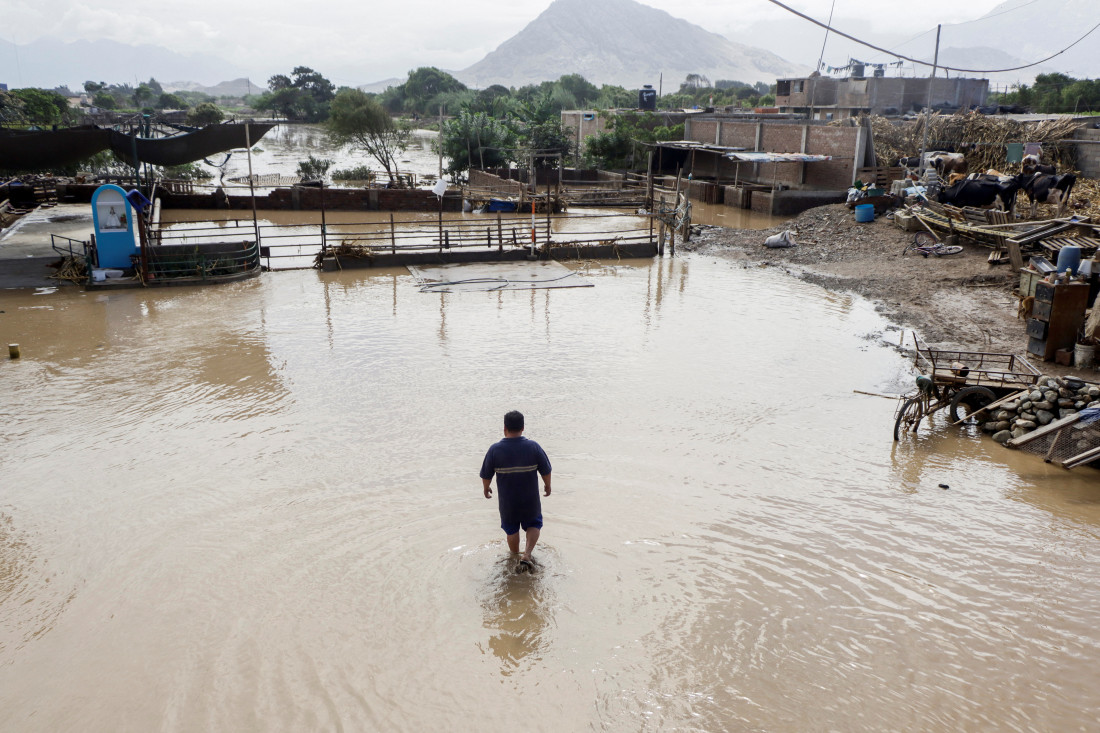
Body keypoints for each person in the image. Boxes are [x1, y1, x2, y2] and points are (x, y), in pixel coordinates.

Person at [480, 410, 551, 572]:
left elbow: (486, 474)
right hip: (530, 498)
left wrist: (486, 488)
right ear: (523, 427)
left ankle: (514, 556)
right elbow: (546, 470)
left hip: (508, 500)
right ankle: (527, 554)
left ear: (504, 428)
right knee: (534, 524)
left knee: (511, 528)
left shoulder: (495, 450)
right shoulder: (533, 447)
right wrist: (547, 485)